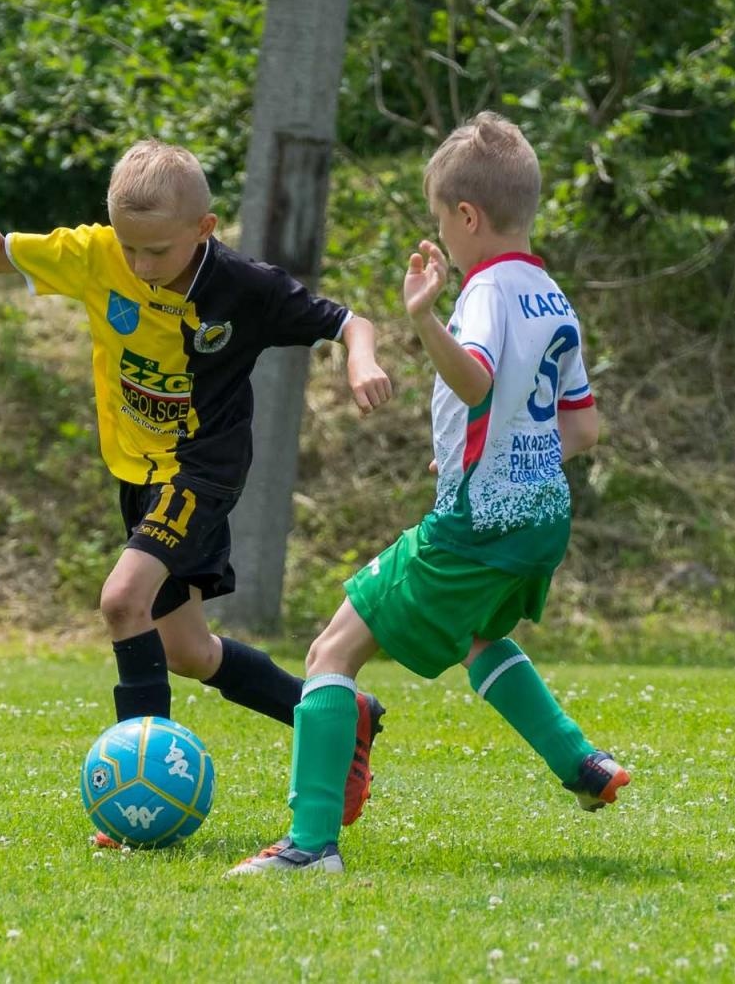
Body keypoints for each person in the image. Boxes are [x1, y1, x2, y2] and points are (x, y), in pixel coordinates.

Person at [0, 140, 393, 840]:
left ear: (204, 230)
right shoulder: (95, 255)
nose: (142, 267)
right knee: (187, 651)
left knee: (121, 601)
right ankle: (333, 712)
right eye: (130, 249)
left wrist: (362, 362)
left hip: (200, 470)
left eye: (159, 253)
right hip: (136, 476)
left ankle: (139, 800)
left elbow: (347, 321)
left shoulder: (244, 287)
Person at [228, 112, 628, 876]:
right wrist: (521, 457)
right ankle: (582, 763)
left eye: (443, 223)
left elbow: (474, 380)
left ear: (468, 217)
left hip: (476, 524)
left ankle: (310, 847)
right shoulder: (552, 296)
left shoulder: (482, 294)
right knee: (480, 635)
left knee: (330, 651)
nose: (442, 238)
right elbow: (583, 429)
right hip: (541, 520)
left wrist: (423, 317)